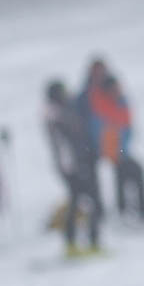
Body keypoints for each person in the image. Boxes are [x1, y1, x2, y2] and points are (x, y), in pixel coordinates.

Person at [78, 58, 144, 225]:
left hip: (115, 150)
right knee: (124, 173)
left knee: (126, 173)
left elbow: (126, 129)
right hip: (101, 149)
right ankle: (124, 212)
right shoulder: (93, 100)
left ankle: (129, 211)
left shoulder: (113, 100)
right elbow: (96, 131)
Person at [44, 79, 103, 257]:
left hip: (73, 164)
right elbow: (65, 143)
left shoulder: (59, 112)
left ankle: (77, 243)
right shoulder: (57, 115)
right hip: (73, 165)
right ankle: (86, 242)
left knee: (80, 201)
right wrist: (75, 165)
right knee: (88, 201)